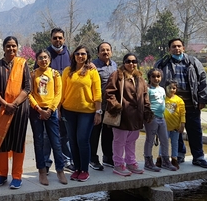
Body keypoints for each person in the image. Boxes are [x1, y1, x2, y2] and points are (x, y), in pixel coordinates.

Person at [155, 38, 207, 168]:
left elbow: (203, 79)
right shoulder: (162, 64)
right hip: (172, 106)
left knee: (195, 131)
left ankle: (198, 157)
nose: (177, 48)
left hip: (192, 104)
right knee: (176, 131)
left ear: (183, 48)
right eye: (174, 46)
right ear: (169, 49)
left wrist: (203, 99)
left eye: (179, 46)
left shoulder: (193, 62)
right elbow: (154, 82)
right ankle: (178, 155)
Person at [0, 36, 31, 189]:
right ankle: (2, 175)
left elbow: (28, 87)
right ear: (3, 48)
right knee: (1, 142)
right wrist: (5, 104)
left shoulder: (23, 64)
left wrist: (15, 103)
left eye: (14, 46)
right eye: (8, 46)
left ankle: (17, 176)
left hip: (19, 110)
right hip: (1, 108)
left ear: (17, 47)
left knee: (18, 142)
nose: (11, 49)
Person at [104, 53, 152, 177]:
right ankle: (118, 164)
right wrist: (115, 106)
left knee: (132, 140)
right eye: (128, 61)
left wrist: (147, 109)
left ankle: (131, 162)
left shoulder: (140, 78)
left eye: (134, 61)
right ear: (124, 63)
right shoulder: (117, 75)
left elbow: (145, 95)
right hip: (122, 115)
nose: (131, 64)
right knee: (119, 141)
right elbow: (109, 92)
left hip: (137, 115)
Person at [60, 45, 102, 182]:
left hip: (87, 112)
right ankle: (76, 169)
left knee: (82, 140)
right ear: (73, 55)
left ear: (87, 56)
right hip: (68, 111)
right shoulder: (67, 71)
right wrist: (59, 109)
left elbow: (97, 93)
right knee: (72, 140)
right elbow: (62, 91)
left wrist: (98, 112)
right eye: (77, 53)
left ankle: (84, 170)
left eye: (83, 54)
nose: (80, 56)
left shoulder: (92, 71)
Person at [28, 50, 68, 185]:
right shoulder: (33, 74)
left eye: (45, 57)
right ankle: (42, 171)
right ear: (36, 60)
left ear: (49, 59)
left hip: (51, 111)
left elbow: (58, 93)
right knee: (39, 142)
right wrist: (38, 109)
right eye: (40, 58)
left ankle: (60, 170)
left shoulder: (55, 74)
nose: (43, 60)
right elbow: (29, 93)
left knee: (56, 142)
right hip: (36, 111)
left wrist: (50, 109)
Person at [45, 28, 74, 171]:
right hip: (49, 102)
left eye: (60, 38)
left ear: (64, 39)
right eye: (55, 38)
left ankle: (67, 161)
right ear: (51, 39)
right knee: (46, 134)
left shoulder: (70, 55)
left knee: (64, 133)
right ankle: (46, 162)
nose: (58, 40)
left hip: (67, 100)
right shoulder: (45, 55)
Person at [89, 42, 118, 170]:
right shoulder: (92, 66)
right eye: (102, 50)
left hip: (110, 106)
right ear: (98, 53)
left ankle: (108, 157)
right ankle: (92, 159)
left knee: (108, 134)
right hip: (96, 105)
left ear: (111, 52)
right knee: (94, 133)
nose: (105, 52)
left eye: (108, 50)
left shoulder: (115, 65)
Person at [143, 68, 177, 172]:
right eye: (153, 76)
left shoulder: (162, 89)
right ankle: (148, 161)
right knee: (150, 139)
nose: (156, 78)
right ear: (149, 78)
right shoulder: (148, 89)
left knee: (165, 139)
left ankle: (165, 161)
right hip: (152, 117)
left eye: (158, 76)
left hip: (161, 117)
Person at [164, 80, 185, 169]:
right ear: (165, 88)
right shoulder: (162, 98)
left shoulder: (179, 100)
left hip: (175, 127)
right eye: (170, 88)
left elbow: (182, 113)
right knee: (164, 144)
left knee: (175, 143)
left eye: (174, 88)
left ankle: (174, 159)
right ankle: (162, 159)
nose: (172, 90)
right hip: (164, 127)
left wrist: (182, 124)